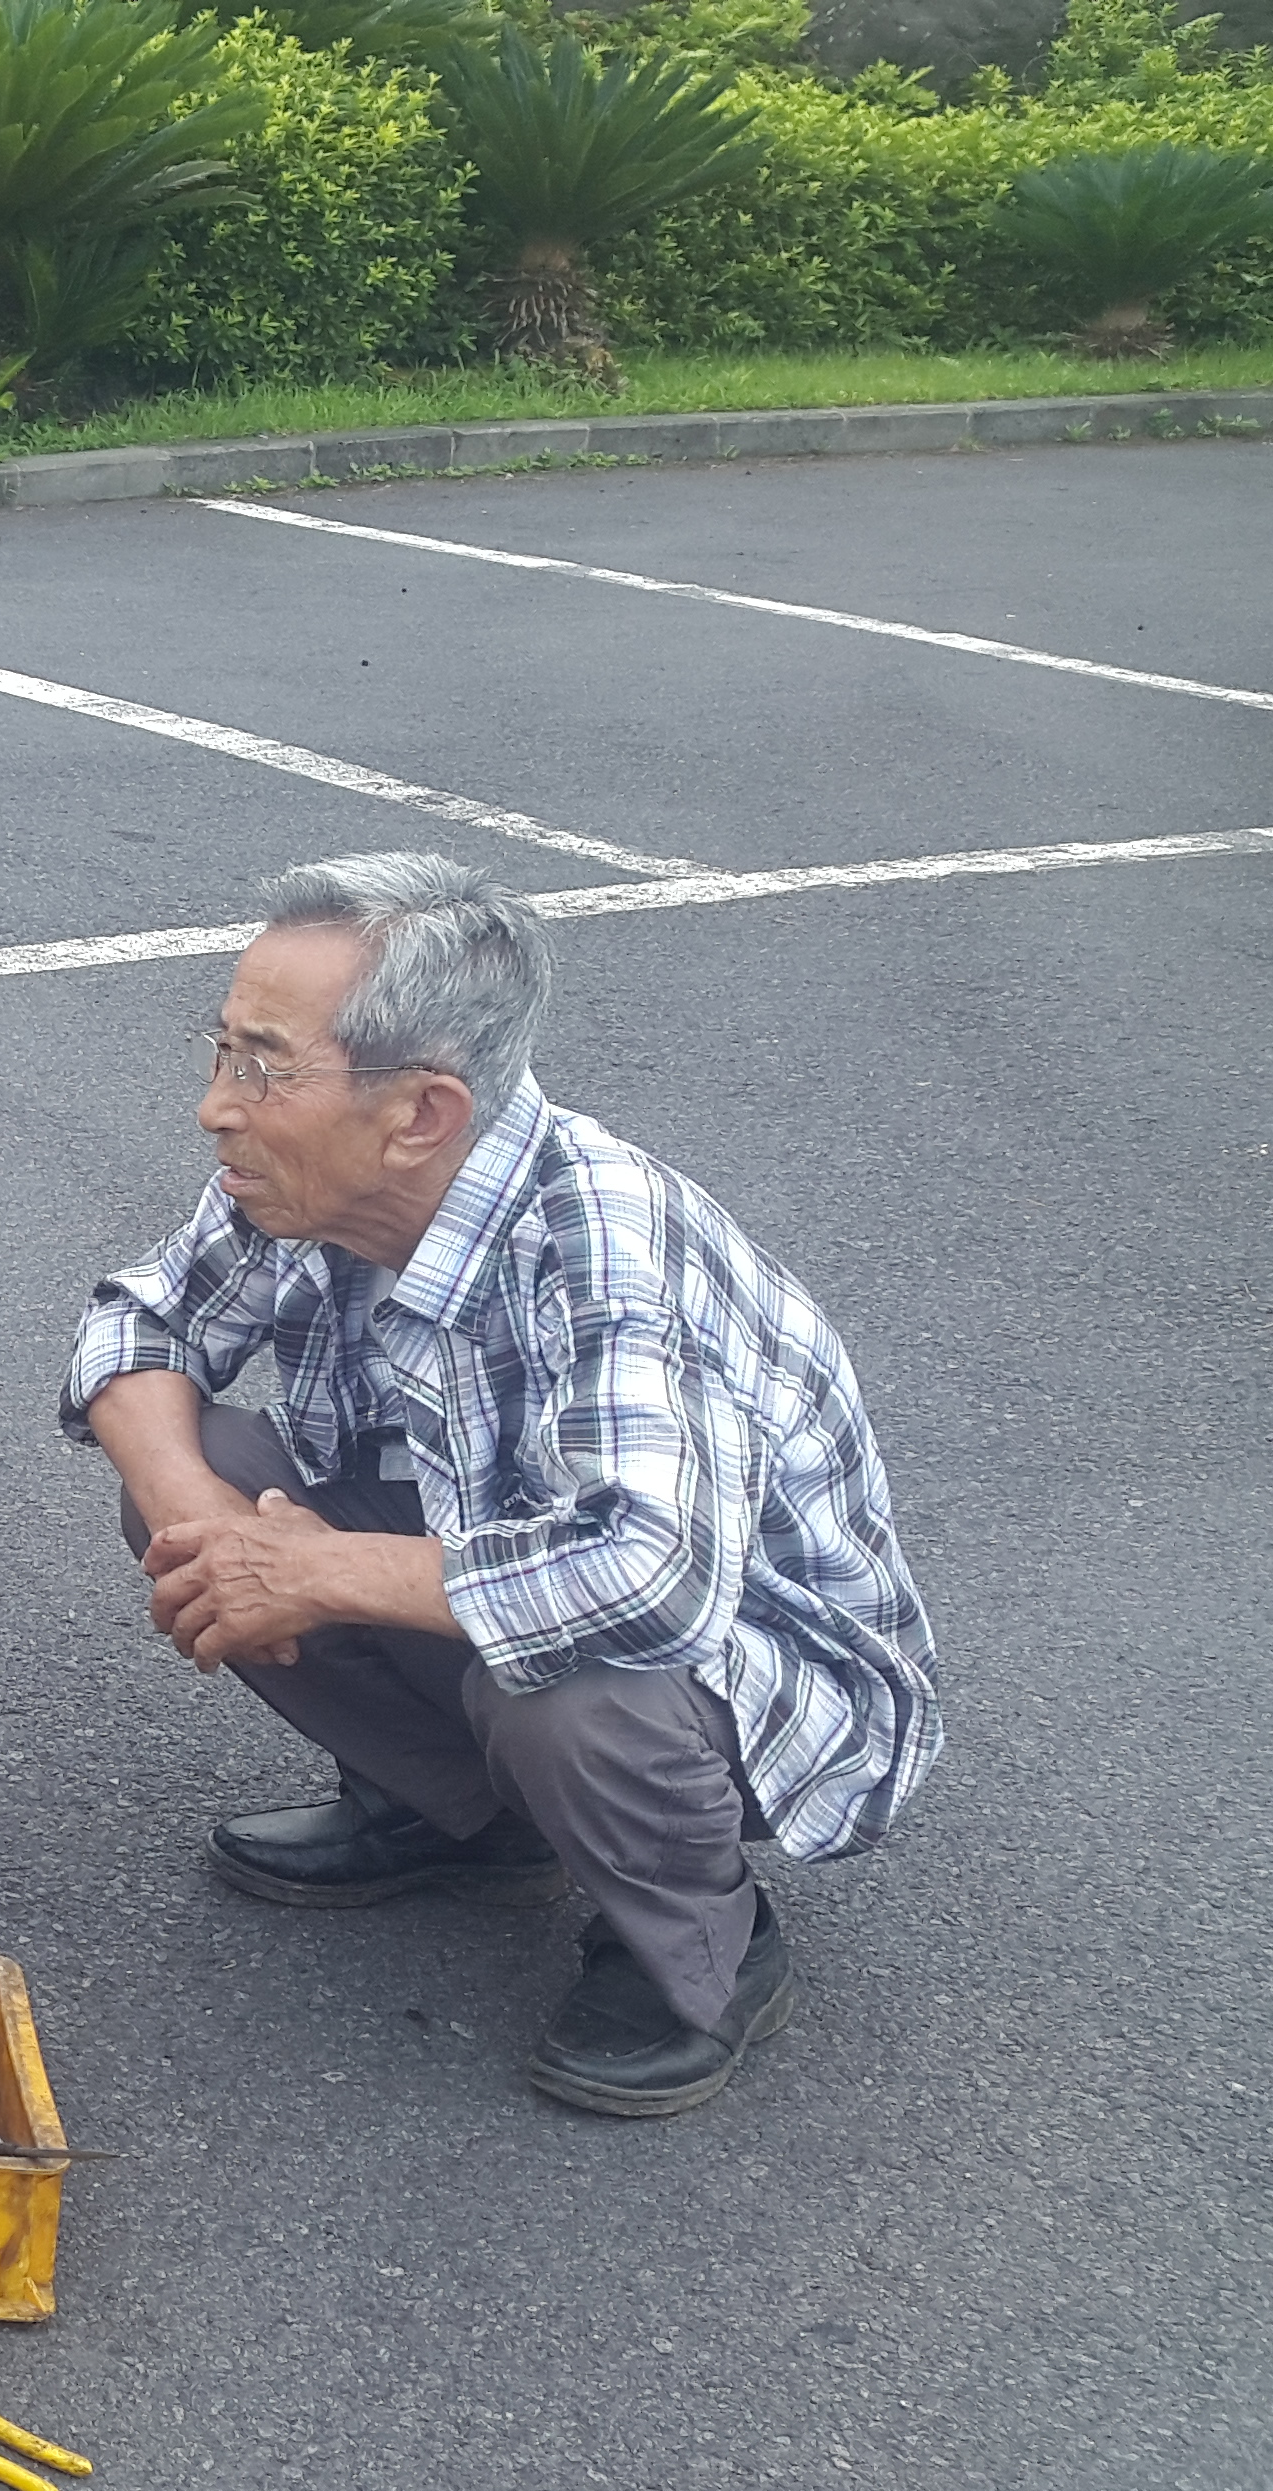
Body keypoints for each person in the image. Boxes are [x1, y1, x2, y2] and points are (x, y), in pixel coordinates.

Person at [68, 853, 939, 2117]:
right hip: (515, 1572)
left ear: (420, 1113)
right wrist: (204, 1521)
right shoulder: (308, 1181)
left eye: (266, 1067)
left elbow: (649, 1579)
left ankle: (702, 1950)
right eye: (224, 1050)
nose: (218, 1106)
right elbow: (136, 1328)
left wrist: (308, 1569)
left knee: (568, 1689)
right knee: (205, 1476)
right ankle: (470, 1823)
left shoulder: (604, 1245)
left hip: (747, 1673)